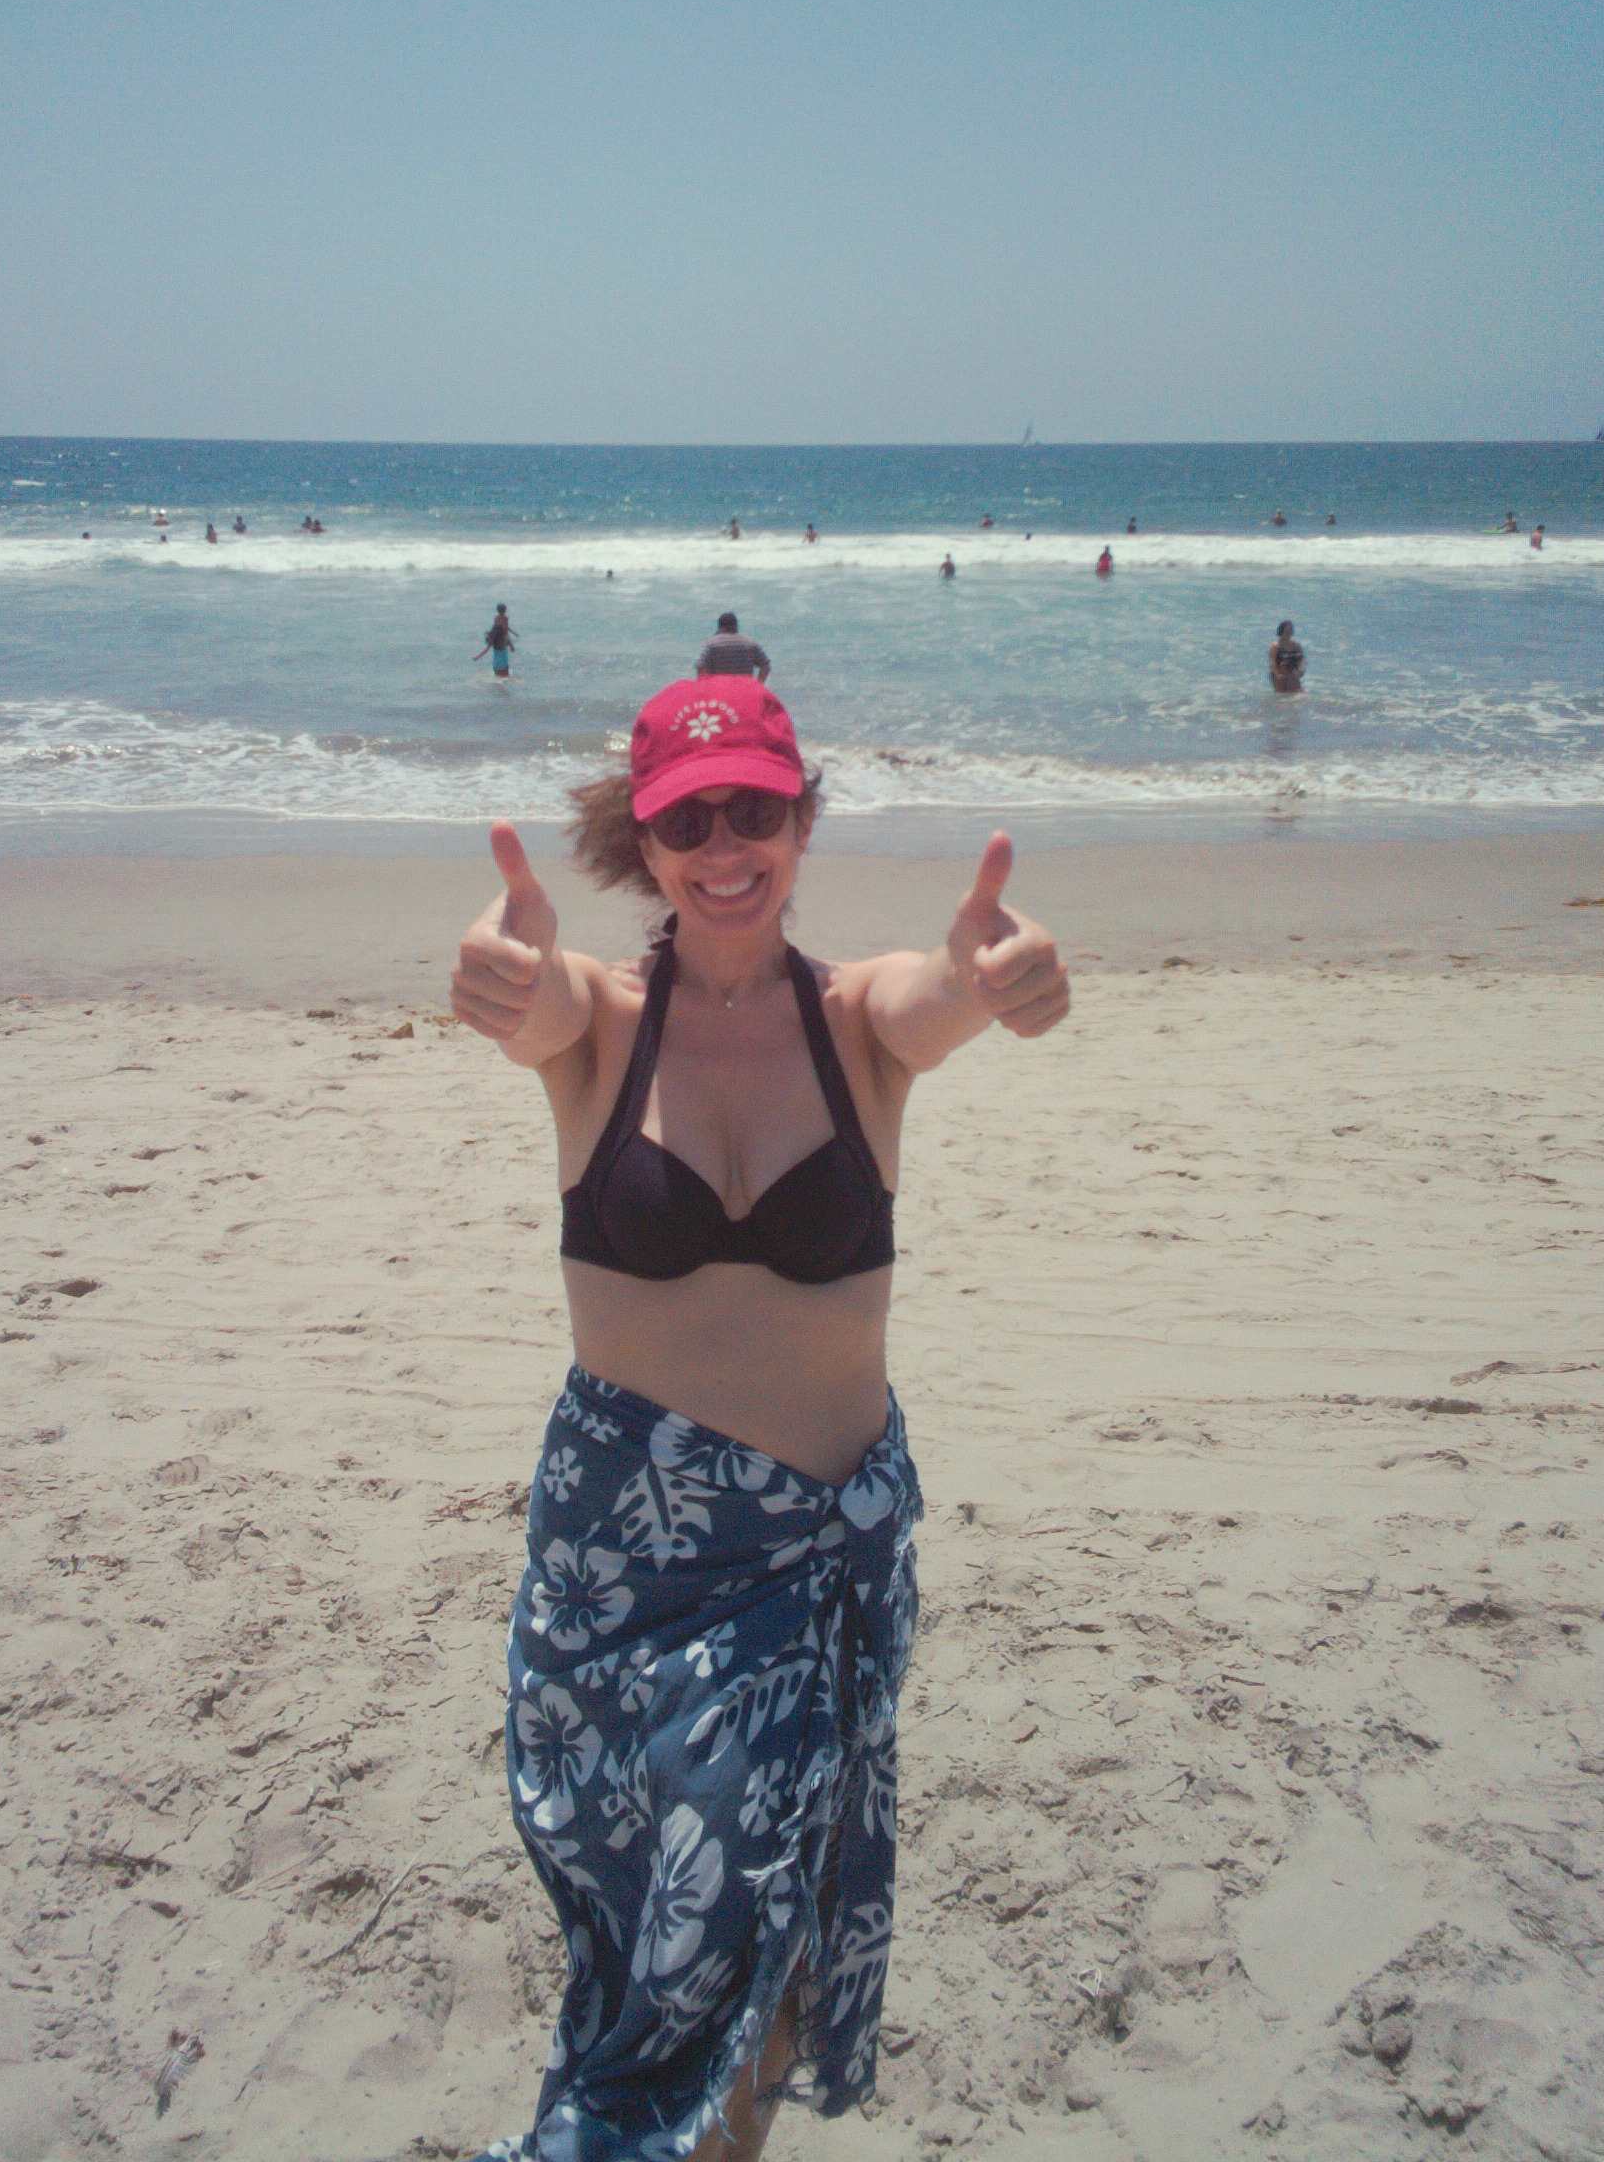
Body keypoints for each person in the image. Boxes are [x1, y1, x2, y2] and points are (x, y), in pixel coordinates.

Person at [450, 677, 1069, 2157]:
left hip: (812, 1569)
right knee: (649, 1939)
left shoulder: (862, 1023)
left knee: (759, 1916)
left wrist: (993, 976)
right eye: (689, 822)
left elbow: (938, 995)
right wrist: (503, 976)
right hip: (623, 1579)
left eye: (757, 812)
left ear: (803, 820)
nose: (726, 849)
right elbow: (535, 1003)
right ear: (644, 843)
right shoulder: (598, 1025)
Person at [696, 611, 771, 681]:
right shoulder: (751, 644)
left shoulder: (712, 644)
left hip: (720, 687)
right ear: (736, 626)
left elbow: (701, 666)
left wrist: (707, 685)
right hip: (744, 687)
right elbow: (765, 666)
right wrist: (758, 684)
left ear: (720, 626)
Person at [475, 603, 517, 678]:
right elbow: (506, 631)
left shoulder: (493, 637)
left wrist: (477, 657)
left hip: (496, 664)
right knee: (505, 678)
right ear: (505, 610)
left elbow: (486, 649)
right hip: (503, 664)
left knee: (498, 679)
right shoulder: (505, 620)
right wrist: (512, 646)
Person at [1269, 618, 1305, 694]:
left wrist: (1302, 670)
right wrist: (1278, 675)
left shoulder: (1296, 645)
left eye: (1291, 630)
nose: (1290, 632)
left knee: (1298, 693)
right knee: (1282, 694)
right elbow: (1272, 662)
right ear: (1282, 631)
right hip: (1279, 674)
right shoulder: (1275, 647)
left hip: (1292, 673)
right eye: (1287, 630)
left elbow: (1302, 659)